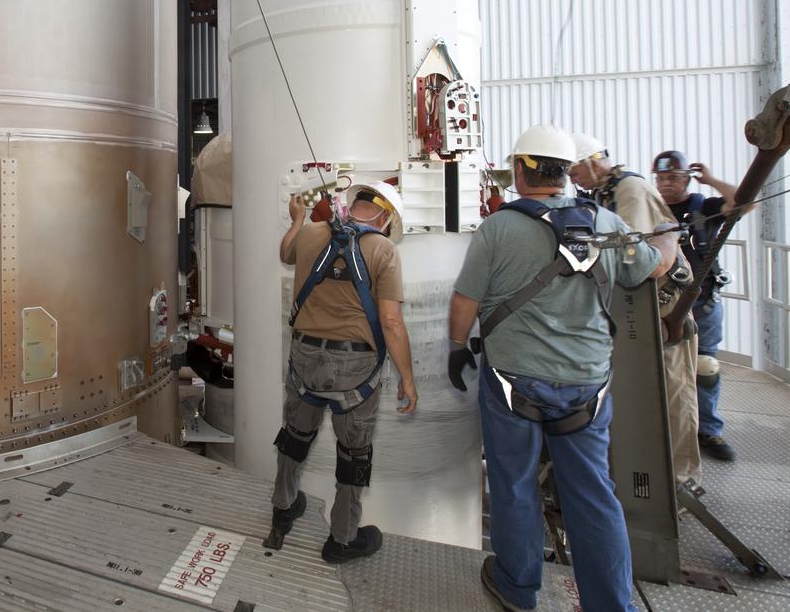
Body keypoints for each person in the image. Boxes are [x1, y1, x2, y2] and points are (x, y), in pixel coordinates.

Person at [447, 124, 676, 612]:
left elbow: (465, 299)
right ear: (566, 171)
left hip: (513, 382)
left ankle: (517, 586)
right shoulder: (607, 224)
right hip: (586, 388)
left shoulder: (499, 227)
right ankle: (611, 605)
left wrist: (455, 346)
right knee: (593, 496)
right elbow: (655, 267)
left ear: (523, 168)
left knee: (514, 484)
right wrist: (668, 235)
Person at [269, 181, 417, 563]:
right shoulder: (384, 250)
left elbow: (285, 253)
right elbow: (391, 322)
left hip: (304, 356)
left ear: (355, 205)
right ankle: (343, 539)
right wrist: (407, 378)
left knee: (295, 435)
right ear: (386, 218)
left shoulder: (310, 234)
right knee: (353, 452)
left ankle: (283, 508)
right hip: (354, 368)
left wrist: (299, 219)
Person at [570, 134, 703, 486]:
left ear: (592, 162)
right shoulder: (605, 192)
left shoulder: (629, 191)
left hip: (663, 305)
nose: (573, 179)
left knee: (673, 388)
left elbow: (635, 254)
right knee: (649, 390)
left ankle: (682, 476)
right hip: (638, 306)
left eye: (575, 171)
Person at [653, 150, 742, 461]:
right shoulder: (651, 210)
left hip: (701, 302)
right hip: (661, 303)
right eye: (661, 178)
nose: (666, 184)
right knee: (661, 369)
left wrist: (712, 179)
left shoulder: (703, 207)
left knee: (705, 367)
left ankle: (709, 430)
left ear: (687, 179)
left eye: (673, 178)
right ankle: (668, 428)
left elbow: (743, 203)